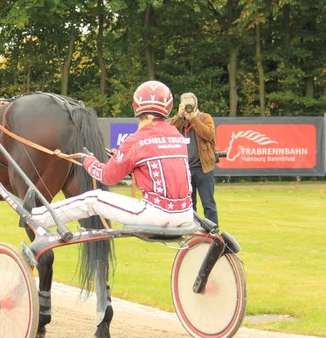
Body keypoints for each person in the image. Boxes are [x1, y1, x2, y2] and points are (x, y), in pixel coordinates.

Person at [30, 81, 193, 229]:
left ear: (137, 106)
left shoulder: (137, 140)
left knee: (93, 199)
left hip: (155, 214)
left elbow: (107, 177)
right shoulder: (177, 136)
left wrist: (88, 160)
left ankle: (37, 217)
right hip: (187, 213)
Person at [169, 92, 219, 225]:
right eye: (184, 105)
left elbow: (209, 135)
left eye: (189, 105)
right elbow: (168, 133)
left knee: (208, 203)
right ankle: (193, 230)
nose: (187, 108)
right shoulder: (180, 122)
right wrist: (179, 117)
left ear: (196, 105)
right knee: (189, 204)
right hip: (185, 169)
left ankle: (213, 232)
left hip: (203, 168)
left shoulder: (205, 117)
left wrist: (194, 119)